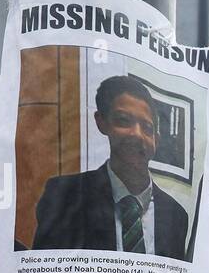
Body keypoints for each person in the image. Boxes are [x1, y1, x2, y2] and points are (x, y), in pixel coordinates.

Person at [30, 74, 189, 260]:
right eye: (123, 120)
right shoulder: (64, 195)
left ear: (156, 141)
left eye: (147, 127)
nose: (137, 134)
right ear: (102, 122)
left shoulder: (176, 215)